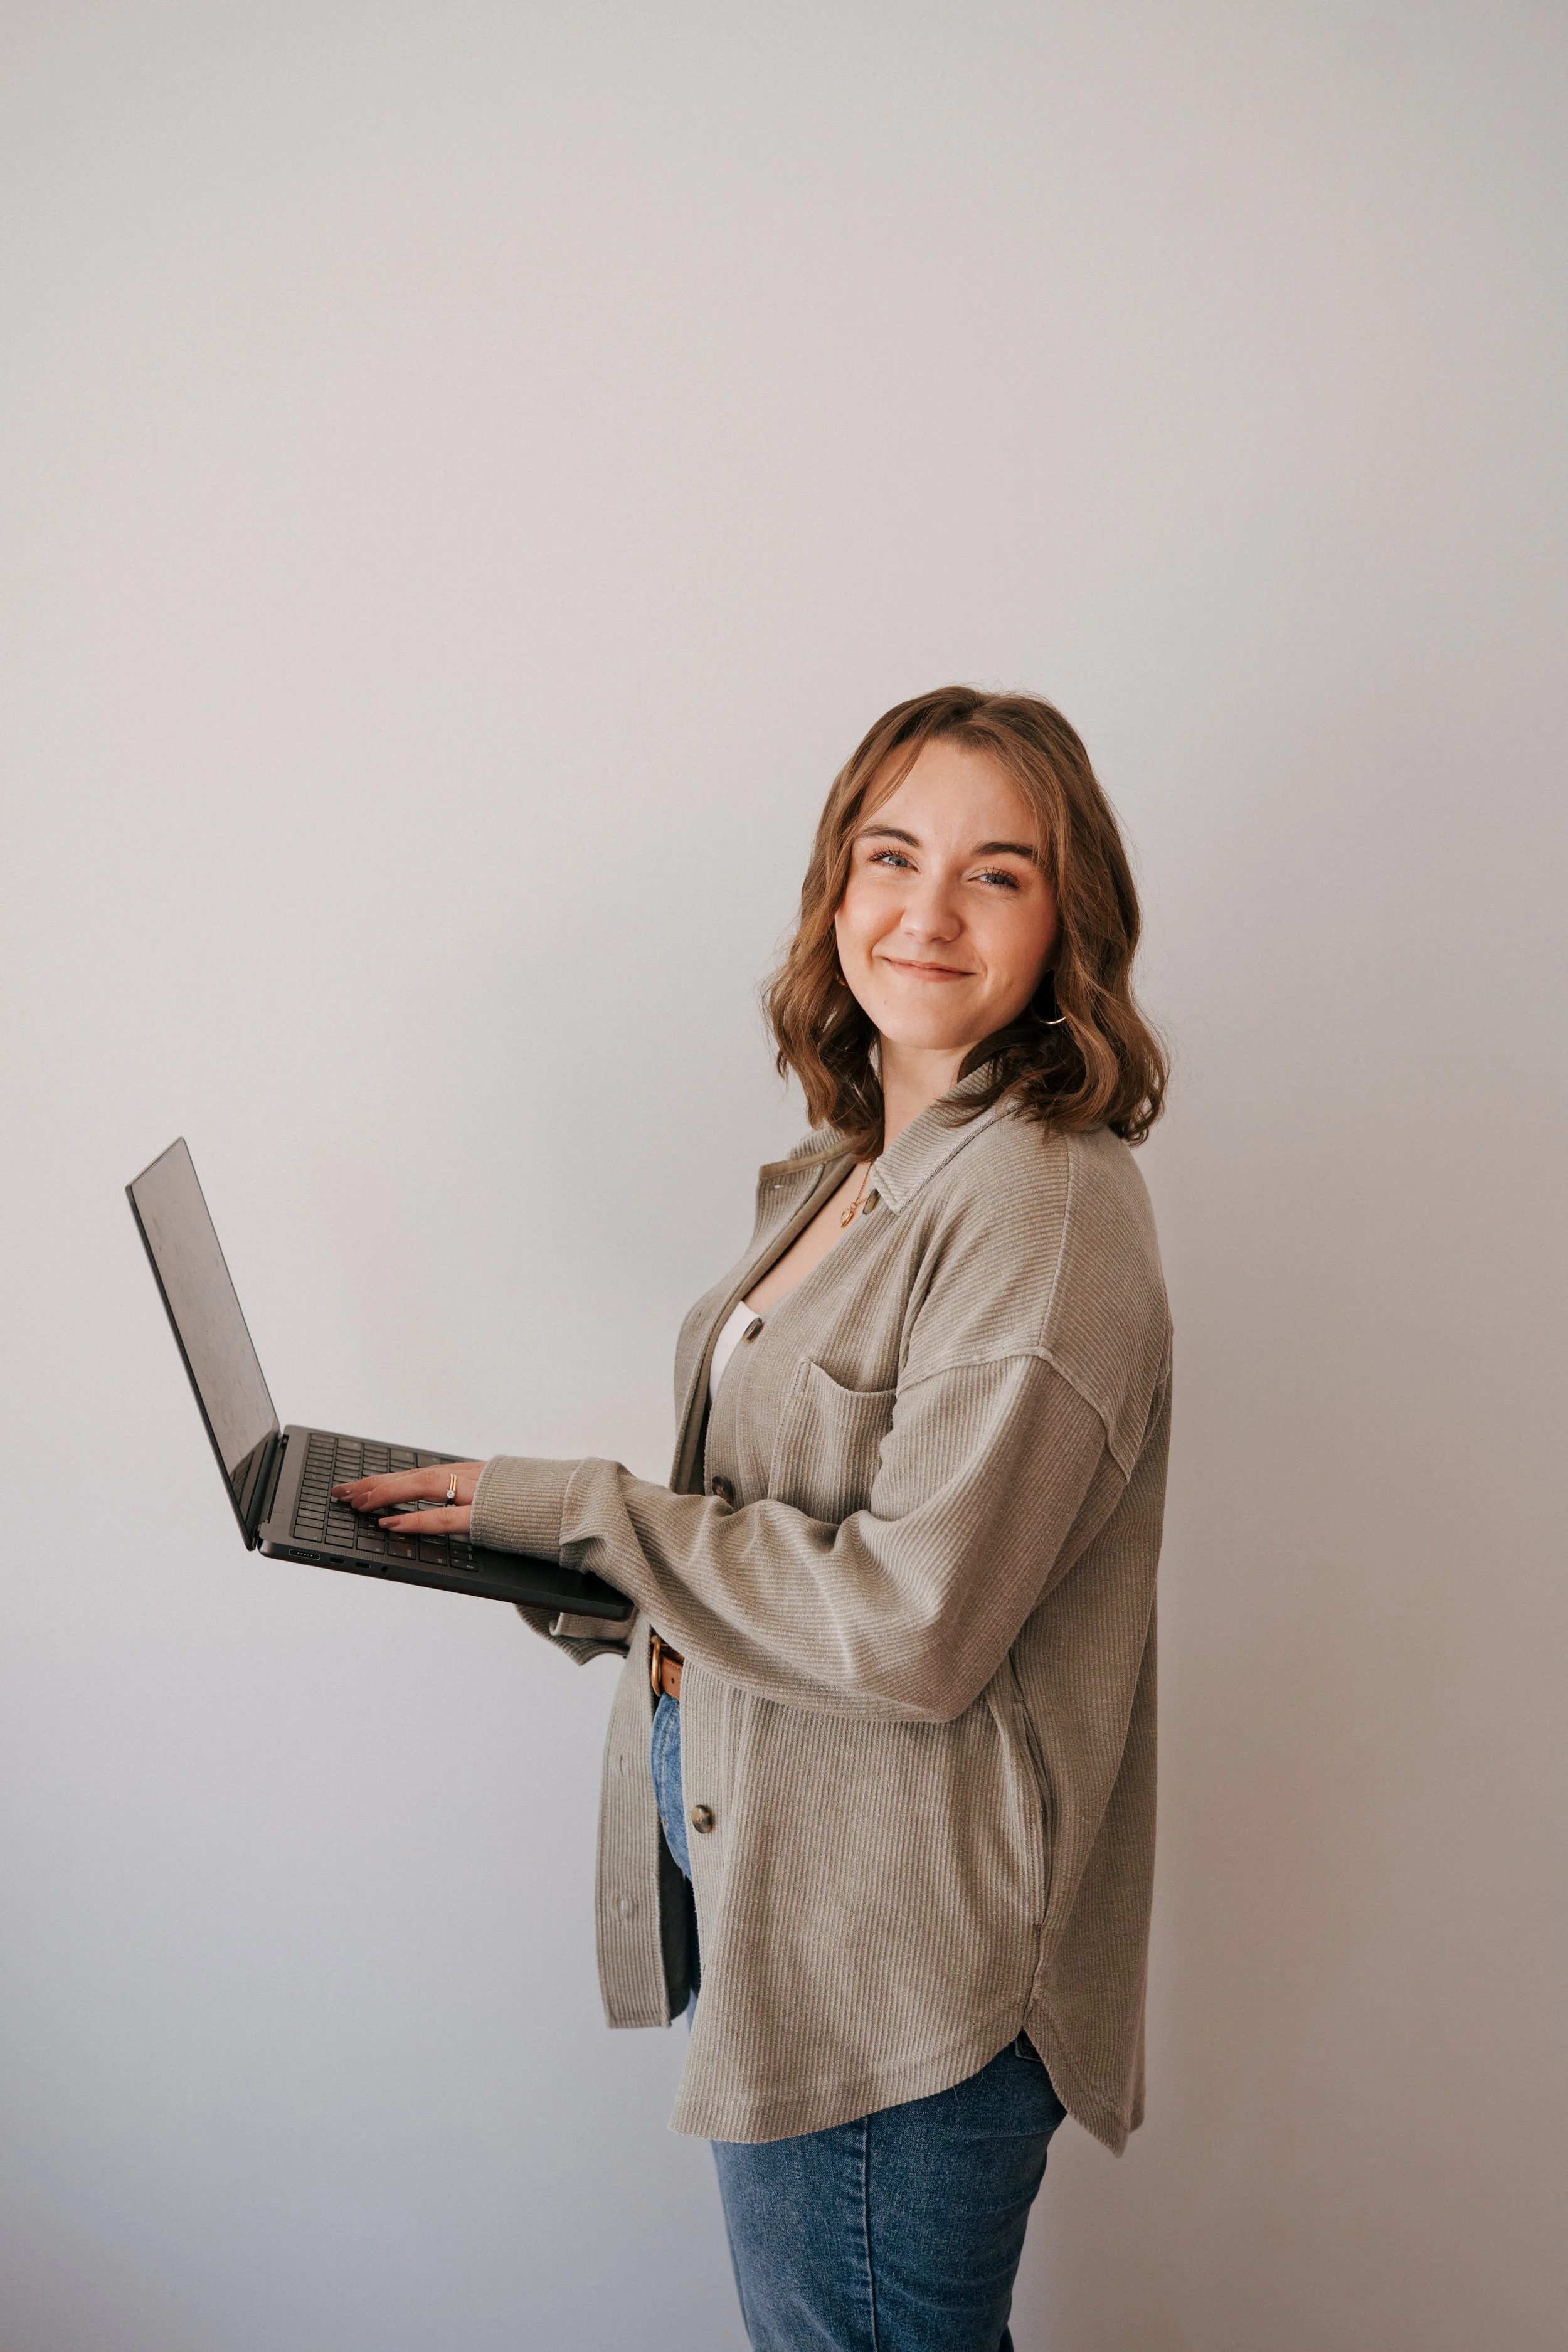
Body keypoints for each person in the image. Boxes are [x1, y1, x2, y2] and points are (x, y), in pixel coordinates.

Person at [336, 685, 1172, 2351]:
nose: (924, 909)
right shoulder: (854, 1169)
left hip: (902, 1961)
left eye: (995, 875)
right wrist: (536, 1545)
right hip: (791, 1905)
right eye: (891, 853)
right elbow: (771, 1519)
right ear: (834, 885)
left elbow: (915, 1623)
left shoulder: (1036, 1198)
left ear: (1065, 923)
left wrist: (592, 1514)